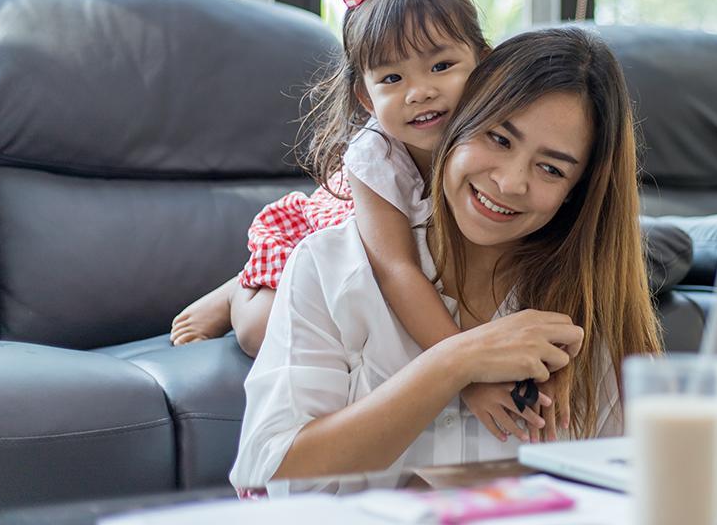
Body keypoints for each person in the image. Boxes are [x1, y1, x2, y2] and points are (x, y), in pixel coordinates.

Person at [229, 27, 661, 488]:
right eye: (498, 138)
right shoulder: (329, 264)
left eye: (551, 169)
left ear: (576, 193)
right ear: (456, 120)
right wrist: (456, 362)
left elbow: (632, 491)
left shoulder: (594, 312)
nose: (511, 182)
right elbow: (272, 464)